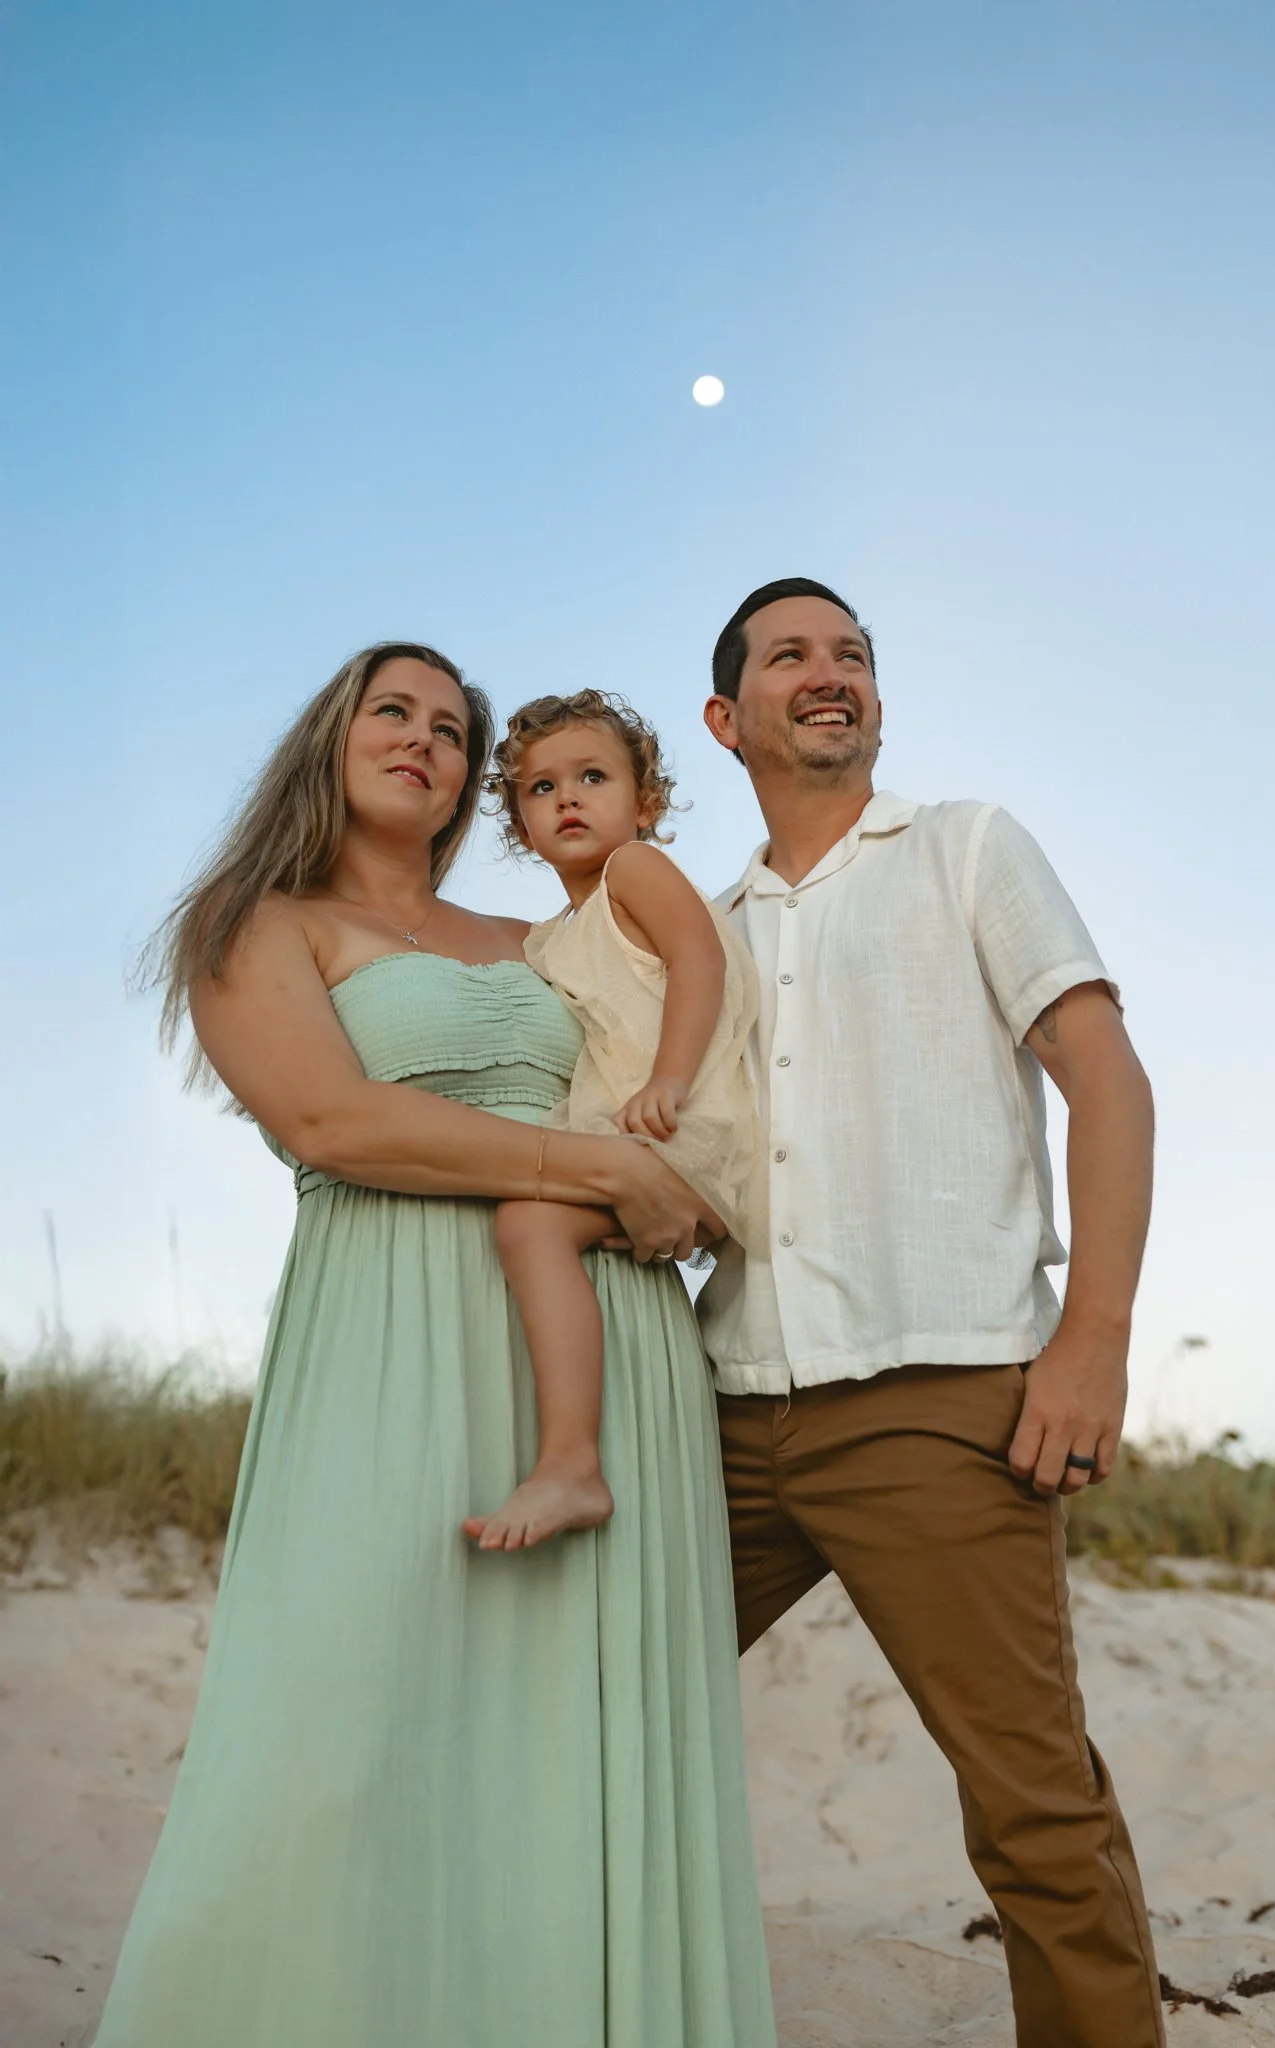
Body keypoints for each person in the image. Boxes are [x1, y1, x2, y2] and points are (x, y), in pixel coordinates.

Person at [96, 643, 777, 2048]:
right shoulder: (257, 921)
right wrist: (594, 1173)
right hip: (389, 1338)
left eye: (454, 731)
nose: (424, 740)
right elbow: (333, 1125)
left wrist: (676, 1178)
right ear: (330, 739)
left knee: (573, 1747)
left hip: (603, 1351)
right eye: (391, 712)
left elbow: (661, 1068)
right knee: (340, 1720)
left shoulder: (537, 938)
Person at [697, 579, 1166, 2048]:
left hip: (938, 1396)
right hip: (716, 1404)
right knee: (569, 1713)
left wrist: (1089, 1340)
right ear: (729, 719)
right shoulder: (696, 930)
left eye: (852, 656)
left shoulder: (967, 847)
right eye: (791, 657)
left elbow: (1108, 1082)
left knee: (1031, 1806)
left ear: (878, 702)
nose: (828, 674)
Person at [464, 690, 762, 1552]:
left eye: (592, 777)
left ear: (645, 802)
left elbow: (698, 956)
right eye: (540, 788)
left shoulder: (634, 871)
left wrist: (669, 1075)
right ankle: (570, 1442)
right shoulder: (548, 938)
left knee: (526, 1224)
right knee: (532, 1231)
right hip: (636, 1143)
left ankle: (570, 1466)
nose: (566, 798)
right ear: (519, 823)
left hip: (687, 1127)